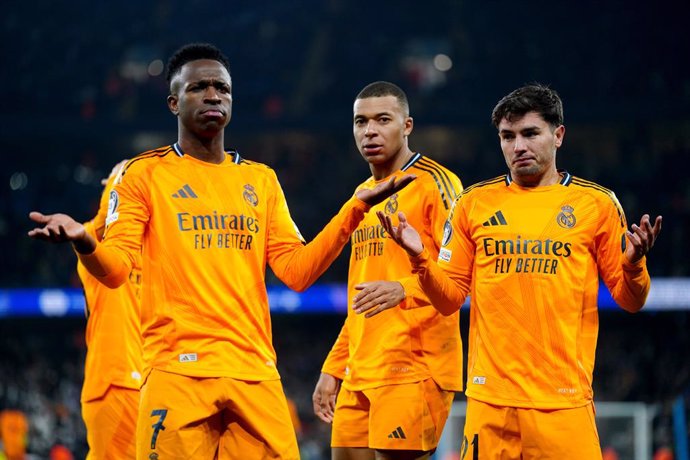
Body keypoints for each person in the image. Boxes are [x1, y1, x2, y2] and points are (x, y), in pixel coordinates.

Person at [28, 43, 412, 460]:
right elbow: (118, 270)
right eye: (199, 88)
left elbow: (297, 271)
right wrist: (85, 242)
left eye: (222, 88)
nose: (213, 95)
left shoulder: (261, 180)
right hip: (178, 371)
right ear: (174, 102)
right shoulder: (144, 174)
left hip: (254, 372)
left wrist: (354, 209)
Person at [366, 84, 663, 459]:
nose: (518, 146)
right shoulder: (473, 203)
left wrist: (633, 264)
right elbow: (448, 299)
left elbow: (630, 300)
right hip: (490, 403)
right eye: (508, 136)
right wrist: (420, 259)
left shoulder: (597, 205)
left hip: (562, 403)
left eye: (530, 133)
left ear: (558, 135)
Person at [312, 81, 463, 460]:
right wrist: (334, 366)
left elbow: (462, 276)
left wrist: (404, 289)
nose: (370, 131)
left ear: (407, 125)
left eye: (383, 119)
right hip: (361, 368)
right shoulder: (362, 196)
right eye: (360, 122)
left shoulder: (436, 183)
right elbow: (362, 298)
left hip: (415, 365)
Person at [77, 159, 143, 459]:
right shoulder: (100, 252)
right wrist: (121, 177)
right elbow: (101, 224)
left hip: (156, 383)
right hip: (114, 382)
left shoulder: (157, 253)